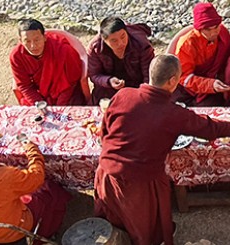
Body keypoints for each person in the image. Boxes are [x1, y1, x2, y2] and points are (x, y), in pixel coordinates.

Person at [94, 54, 230, 245]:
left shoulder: (123, 94)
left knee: (117, 222)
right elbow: (210, 129)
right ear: (173, 80)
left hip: (106, 172)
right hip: (139, 182)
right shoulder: (174, 113)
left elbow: (104, 130)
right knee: (145, 231)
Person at [10, 18, 87, 106]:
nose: (33, 46)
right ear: (20, 41)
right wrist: (39, 103)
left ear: (44, 37)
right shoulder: (16, 56)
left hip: (66, 93)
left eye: (37, 40)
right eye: (27, 41)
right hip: (39, 94)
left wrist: (59, 105)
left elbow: (73, 79)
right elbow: (24, 85)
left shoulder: (63, 50)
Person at [87, 17, 155, 105]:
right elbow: (94, 75)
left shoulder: (141, 45)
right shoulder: (96, 48)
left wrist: (142, 95)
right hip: (108, 88)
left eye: (123, 37)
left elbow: (149, 76)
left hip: (136, 86)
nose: (120, 43)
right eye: (114, 41)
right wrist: (109, 80)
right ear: (104, 40)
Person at [173, 2, 230, 106]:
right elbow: (183, 77)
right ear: (199, 29)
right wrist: (210, 85)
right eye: (208, 29)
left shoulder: (223, 33)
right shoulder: (187, 44)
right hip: (188, 89)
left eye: (216, 27)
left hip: (217, 83)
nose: (214, 33)